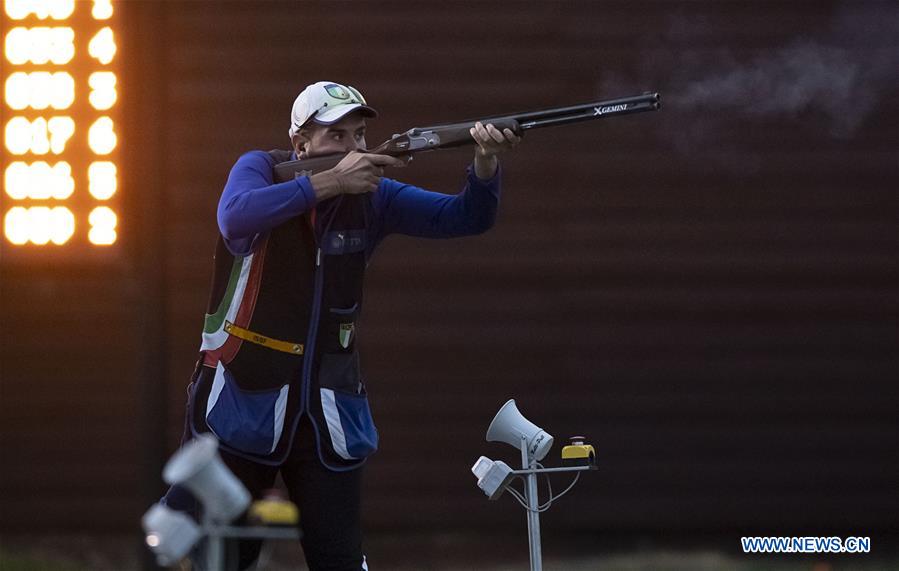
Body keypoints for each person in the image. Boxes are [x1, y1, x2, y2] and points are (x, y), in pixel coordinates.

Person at [161, 81, 520, 570]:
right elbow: (234, 217)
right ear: (301, 144)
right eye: (336, 137)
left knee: (340, 558)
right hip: (242, 399)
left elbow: (465, 217)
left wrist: (484, 163)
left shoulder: (375, 194)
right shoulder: (261, 168)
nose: (352, 148)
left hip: (328, 410)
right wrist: (329, 183)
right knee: (220, 555)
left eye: (358, 135)